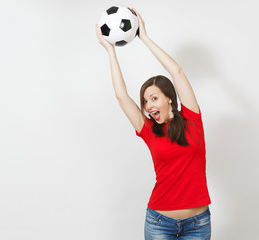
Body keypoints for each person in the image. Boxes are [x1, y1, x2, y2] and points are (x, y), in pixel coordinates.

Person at [95, 8, 211, 240]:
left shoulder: (192, 119)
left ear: (170, 98)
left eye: (154, 98)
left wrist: (144, 38)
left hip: (198, 223)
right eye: (145, 101)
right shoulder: (149, 130)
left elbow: (176, 71)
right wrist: (110, 52)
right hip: (159, 223)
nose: (148, 106)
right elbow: (121, 96)